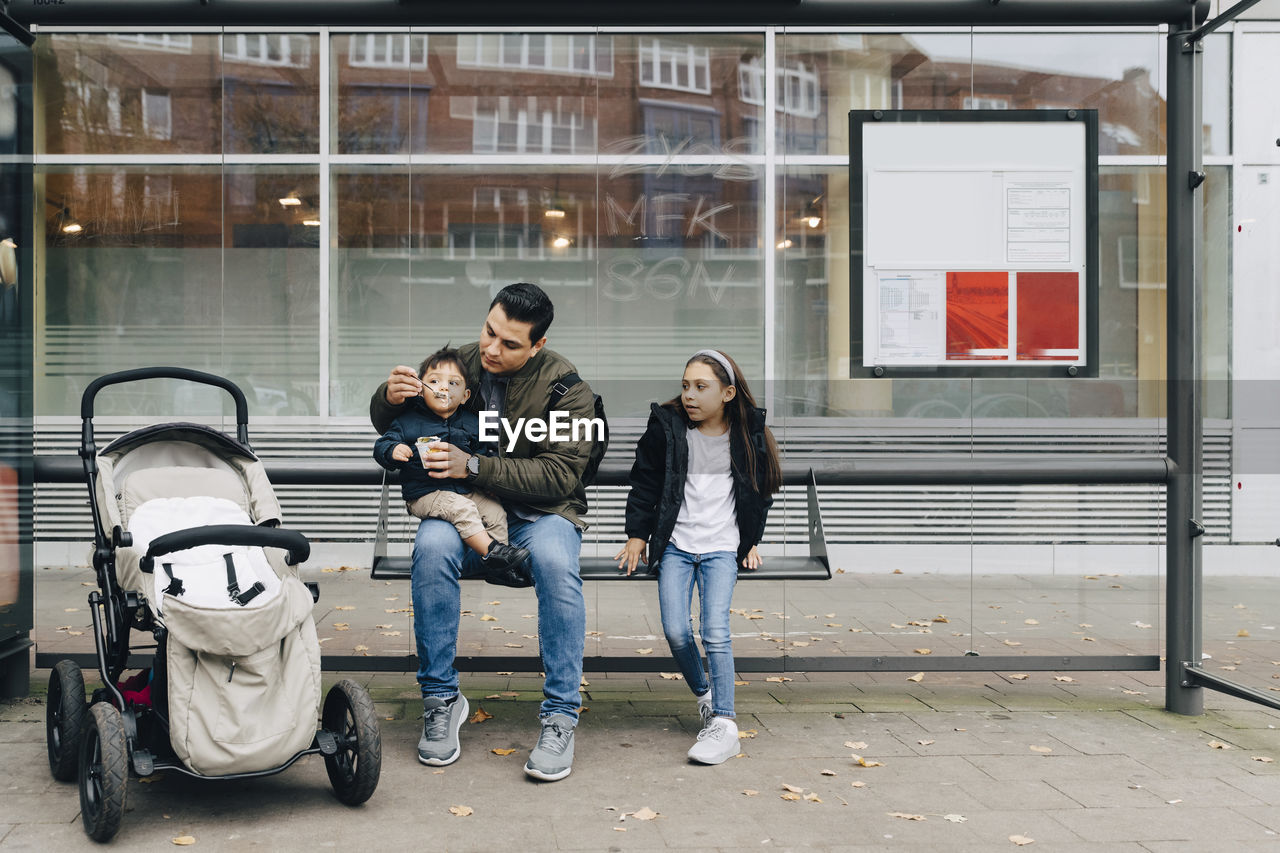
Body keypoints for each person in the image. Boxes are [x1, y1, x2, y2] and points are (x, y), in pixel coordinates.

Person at [370, 283, 598, 782]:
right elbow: (398, 423)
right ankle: (441, 699)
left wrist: (472, 465)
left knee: (559, 565)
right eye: (489, 331)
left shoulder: (569, 390)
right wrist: (387, 399)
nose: (491, 349)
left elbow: (562, 475)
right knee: (430, 547)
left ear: (537, 345)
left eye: (510, 344)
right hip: (464, 511)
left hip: (542, 514)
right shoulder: (457, 365)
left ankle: (560, 714)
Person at [614, 349, 781, 765]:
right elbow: (645, 482)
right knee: (675, 629)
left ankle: (725, 724)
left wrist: (751, 540)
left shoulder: (746, 435)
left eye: (700, 387)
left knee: (715, 630)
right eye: (686, 385)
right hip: (675, 546)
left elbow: (758, 494)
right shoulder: (668, 429)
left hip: (722, 548)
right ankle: (707, 695)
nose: (689, 395)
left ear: (726, 393)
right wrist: (637, 534)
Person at [372, 345, 530, 577]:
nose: (444, 387)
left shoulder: (473, 423)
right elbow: (382, 444)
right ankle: (491, 552)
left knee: (495, 512)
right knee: (462, 509)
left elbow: (487, 454)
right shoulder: (408, 420)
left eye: (453, 383)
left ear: (466, 396)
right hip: (425, 494)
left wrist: (488, 479)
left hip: (465, 490)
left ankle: (501, 566)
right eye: (435, 382)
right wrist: (393, 450)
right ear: (420, 389)